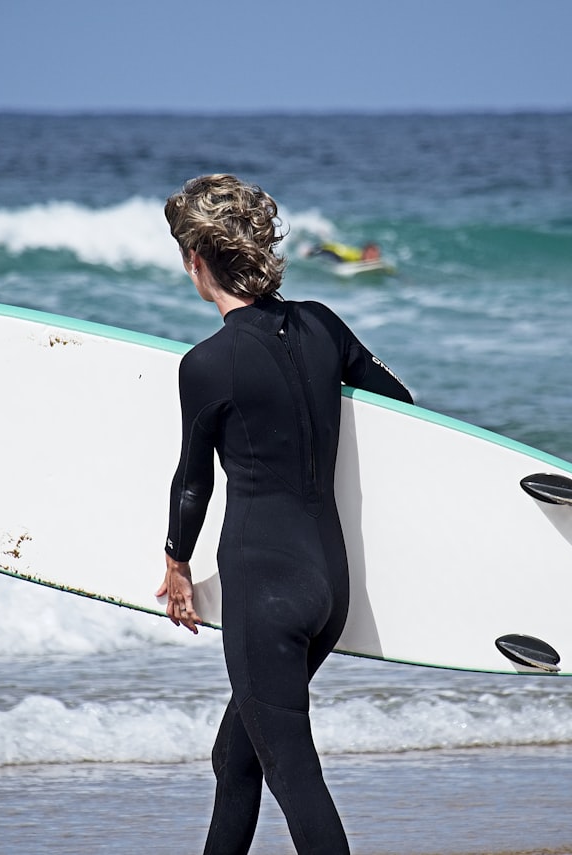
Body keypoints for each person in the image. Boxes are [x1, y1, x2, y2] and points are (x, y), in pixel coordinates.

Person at [156, 175, 412, 854]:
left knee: (293, 772)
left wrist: (176, 561)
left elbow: (193, 481)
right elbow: (401, 407)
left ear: (198, 262)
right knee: (236, 758)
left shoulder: (207, 364)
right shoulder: (324, 325)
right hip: (329, 585)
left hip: (265, 591)